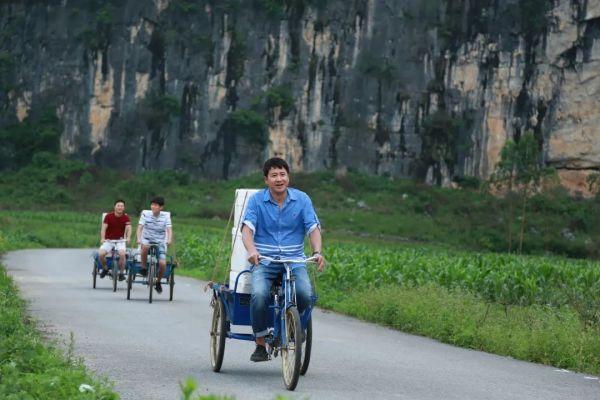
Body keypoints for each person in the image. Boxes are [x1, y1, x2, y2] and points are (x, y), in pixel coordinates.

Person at [241, 157, 325, 362]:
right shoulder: (256, 201)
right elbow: (247, 229)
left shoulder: (302, 199)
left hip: (294, 259)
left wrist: (317, 252)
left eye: (282, 174)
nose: (279, 179)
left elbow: (313, 228)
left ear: (288, 177)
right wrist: (252, 251)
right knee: (259, 295)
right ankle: (260, 343)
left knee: (305, 294)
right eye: (274, 175)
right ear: (266, 180)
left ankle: (298, 328)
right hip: (265, 260)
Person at [134, 197, 173, 294]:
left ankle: (158, 281)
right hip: (147, 239)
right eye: (152, 205)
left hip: (160, 242)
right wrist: (139, 238)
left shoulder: (166, 216)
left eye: (155, 205)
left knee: (163, 264)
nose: (153, 207)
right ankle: (143, 267)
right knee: (145, 247)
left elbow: (169, 230)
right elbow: (140, 228)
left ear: (161, 207)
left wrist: (169, 239)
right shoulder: (145, 214)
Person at [98, 199, 131, 281]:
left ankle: (121, 273)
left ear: (124, 208)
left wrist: (128, 237)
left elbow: (129, 228)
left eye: (122, 206)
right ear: (115, 207)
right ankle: (105, 269)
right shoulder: (108, 216)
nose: (120, 207)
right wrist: (102, 238)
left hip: (120, 240)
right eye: (118, 205)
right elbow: (103, 228)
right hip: (109, 240)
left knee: (122, 254)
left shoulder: (126, 217)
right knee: (101, 254)